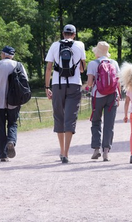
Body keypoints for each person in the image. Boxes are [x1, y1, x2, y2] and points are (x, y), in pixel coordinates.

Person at [44, 24, 86, 163]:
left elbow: (49, 67)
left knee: (59, 117)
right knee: (70, 117)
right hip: (74, 85)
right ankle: (67, 153)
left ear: (63, 34)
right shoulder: (80, 45)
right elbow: (82, 68)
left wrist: (46, 86)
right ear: (74, 34)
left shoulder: (54, 46)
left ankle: (61, 150)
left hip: (57, 84)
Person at [0, 46, 27, 162]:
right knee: (13, 123)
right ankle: (11, 141)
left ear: (3, 54)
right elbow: (25, 83)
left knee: (0, 127)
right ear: (12, 55)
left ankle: (3, 155)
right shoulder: (19, 65)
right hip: (14, 101)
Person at [86, 41, 120, 161]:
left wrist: (88, 85)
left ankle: (96, 149)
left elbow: (90, 83)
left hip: (97, 96)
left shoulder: (92, 64)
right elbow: (118, 81)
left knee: (96, 122)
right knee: (109, 124)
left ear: (97, 52)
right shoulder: (114, 63)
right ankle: (106, 151)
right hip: (112, 96)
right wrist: (118, 96)